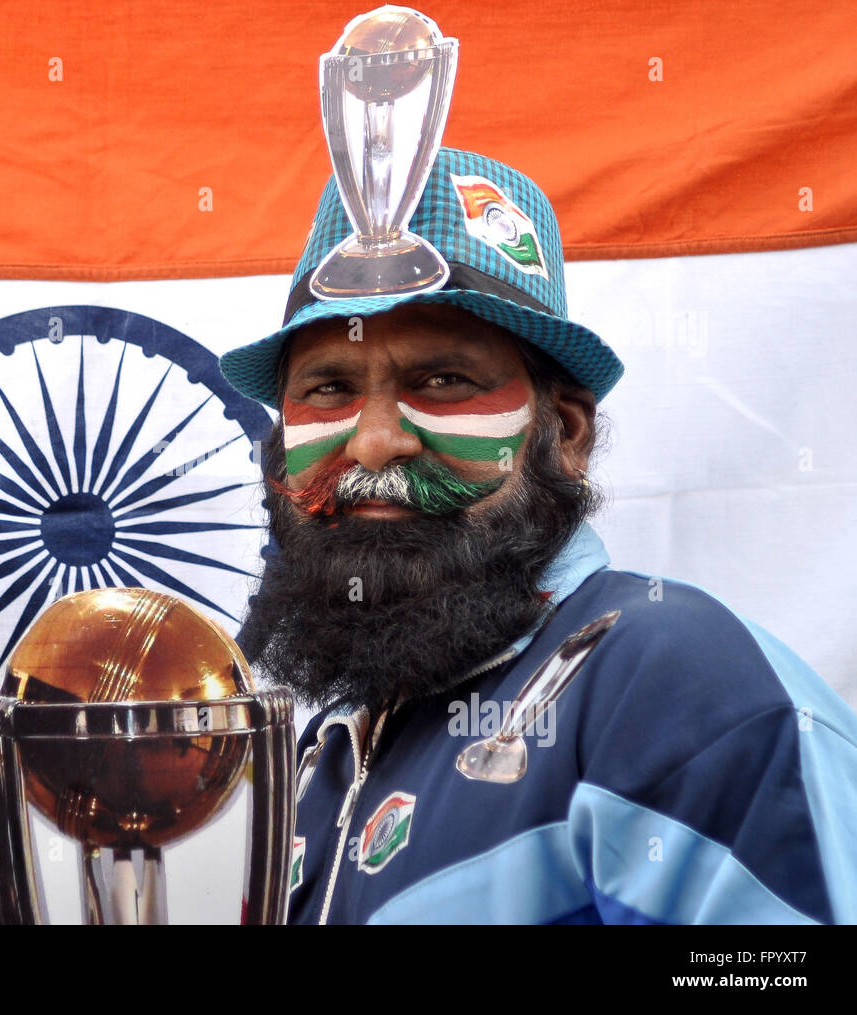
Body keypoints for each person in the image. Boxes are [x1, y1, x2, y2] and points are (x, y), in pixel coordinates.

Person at [220, 146, 857, 924]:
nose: (375, 441)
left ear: (565, 434)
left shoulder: (676, 684)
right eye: (329, 389)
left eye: (442, 380)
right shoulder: (325, 754)